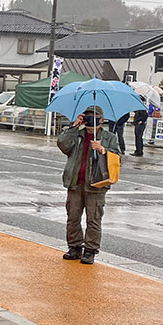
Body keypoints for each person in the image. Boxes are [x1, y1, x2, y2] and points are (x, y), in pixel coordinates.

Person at [57, 105, 121, 265]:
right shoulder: (77, 135)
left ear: (101, 120)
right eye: (87, 117)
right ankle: (74, 247)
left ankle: (90, 250)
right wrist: (73, 126)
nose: (90, 121)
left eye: (93, 117)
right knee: (72, 218)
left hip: (96, 185)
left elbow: (118, 157)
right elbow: (62, 144)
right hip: (75, 182)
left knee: (93, 219)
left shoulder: (109, 137)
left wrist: (102, 150)